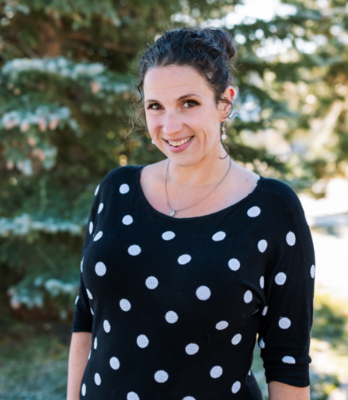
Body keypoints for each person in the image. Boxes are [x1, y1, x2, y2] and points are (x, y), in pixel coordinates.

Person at [67, 28, 315, 400]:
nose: (170, 126)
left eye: (188, 103)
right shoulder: (116, 190)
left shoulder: (273, 208)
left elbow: (287, 360)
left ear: (224, 103)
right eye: (156, 107)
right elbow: (86, 319)